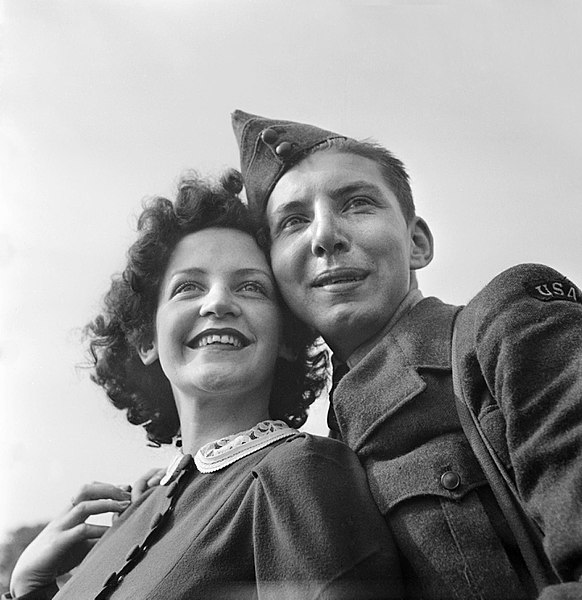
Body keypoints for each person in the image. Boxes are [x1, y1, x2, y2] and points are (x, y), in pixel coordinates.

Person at [230, 110, 582, 600]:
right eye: (293, 221)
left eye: (356, 203)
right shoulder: (319, 460)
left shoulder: (505, 324)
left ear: (417, 242)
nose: (325, 236)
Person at [8, 173, 403, 600]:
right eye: (188, 287)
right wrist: (29, 589)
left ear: (288, 337)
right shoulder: (131, 517)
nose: (217, 303)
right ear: (146, 338)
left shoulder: (297, 472)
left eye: (251, 287)